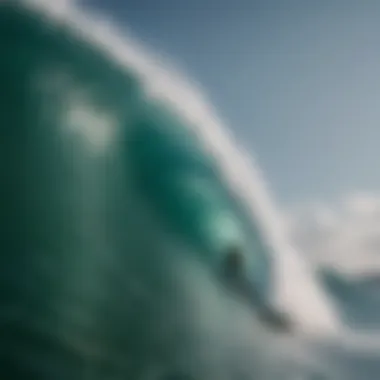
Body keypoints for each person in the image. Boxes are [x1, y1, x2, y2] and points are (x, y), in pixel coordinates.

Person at [222, 246, 293, 333]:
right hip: (248, 295)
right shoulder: (235, 274)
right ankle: (283, 324)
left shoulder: (235, 273)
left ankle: (283, 323)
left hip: (249, 295)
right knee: (264, 309)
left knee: (264, 309)